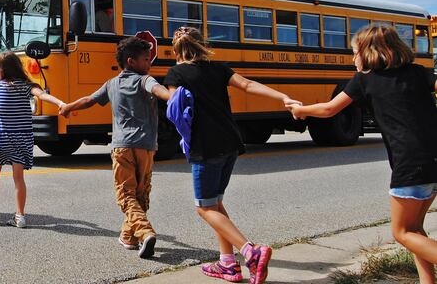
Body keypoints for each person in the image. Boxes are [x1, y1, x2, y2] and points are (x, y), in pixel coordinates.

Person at [290, 25, 437, 284]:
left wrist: (302, 111)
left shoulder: (364, 80)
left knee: (402, 233)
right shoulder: (418, 72)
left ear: (370, 53)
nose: (352, 58)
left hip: (411, 163)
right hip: (433, 158)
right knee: (415, 230)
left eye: (355, 52)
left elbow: (328, 110)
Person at [163, 26, 299, 284]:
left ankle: (251, 251)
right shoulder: (218, 69)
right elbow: (247, 85)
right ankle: (227, 264)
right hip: (230, 143)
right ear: (202, 45)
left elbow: (175, 108)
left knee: (204, 208)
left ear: (175, 50)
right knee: (216, 203)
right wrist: (283, 97)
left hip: (205, 146)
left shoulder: (175, 73)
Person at [60, 36, 171, 259]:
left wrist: (68, 107)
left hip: (122, 147)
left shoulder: (112, 84)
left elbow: (88, 100)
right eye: (146, 59)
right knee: (140, 194)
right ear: (131, 61)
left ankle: (144, 232)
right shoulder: (145, 80)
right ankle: (129, 237)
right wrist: (172, 97)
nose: (149, 63)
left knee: (126, 195)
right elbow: (158, 89)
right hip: (147, 148)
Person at [0, 52, 65, 228]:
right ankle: (20, 216)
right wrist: (60, 103)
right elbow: (42, 96)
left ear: (1, 70)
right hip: (22, 137)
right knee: (18, 178)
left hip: (3, 136)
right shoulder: (27, 86)